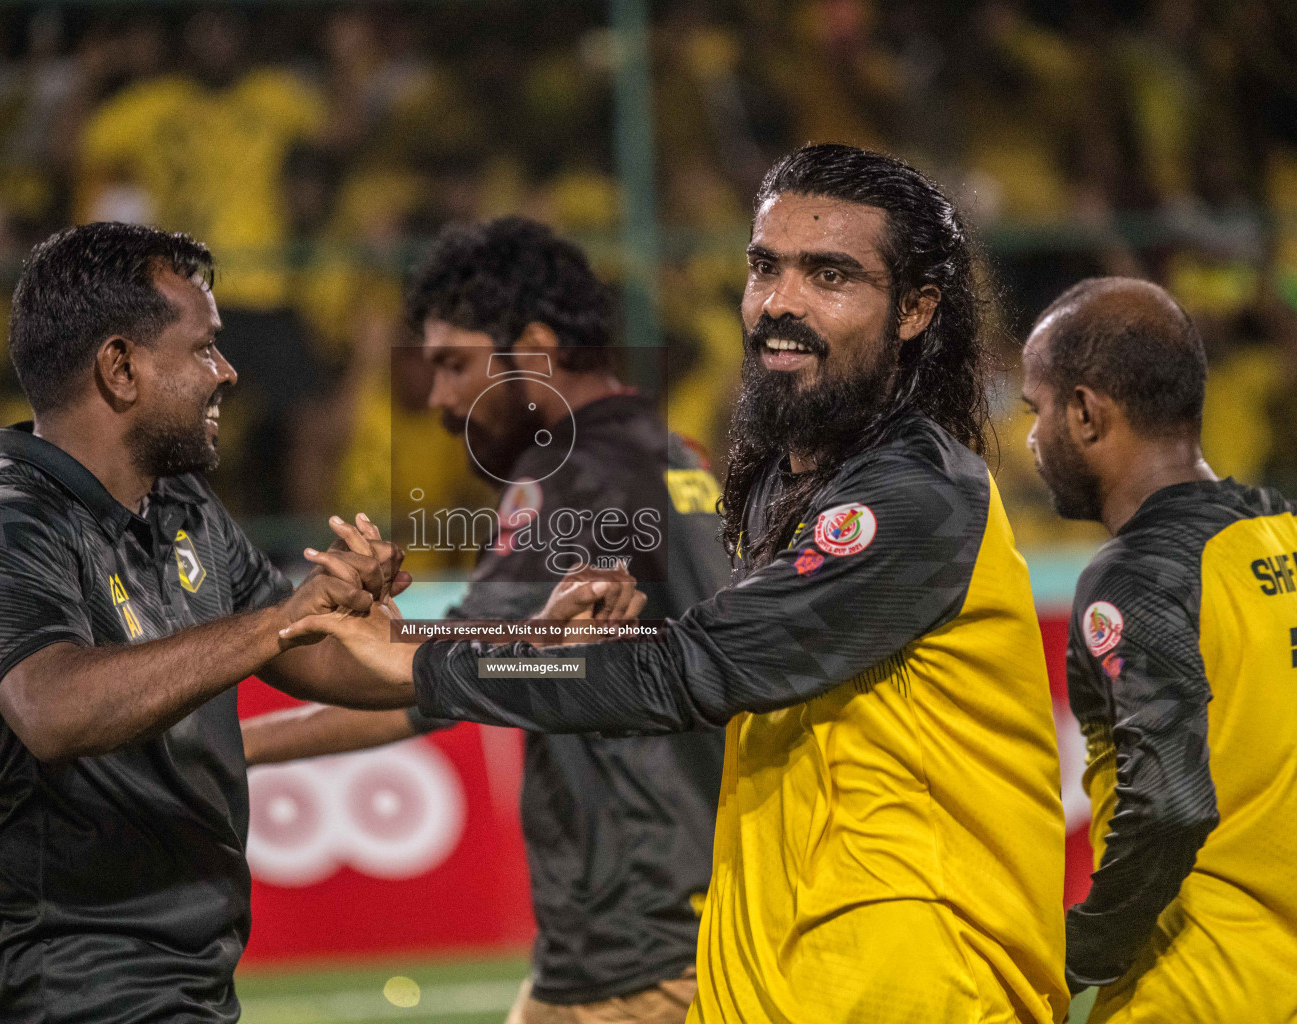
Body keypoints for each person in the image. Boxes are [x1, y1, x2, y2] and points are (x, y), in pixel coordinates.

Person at [271, 144, 1071, 1023]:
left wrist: (406, 667)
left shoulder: (900, 493)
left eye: (830, 275)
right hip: (756, 948)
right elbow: (710, 655)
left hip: (847, 968)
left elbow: (696, 667)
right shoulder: (722, 466)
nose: (780, 301)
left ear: (916, 310)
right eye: (765, 267)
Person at [240, 217, 732, 1024]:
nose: (439, 398)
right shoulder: (670, 453)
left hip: (637, 950)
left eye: (453, 365)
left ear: (534, 348)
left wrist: (238, 747)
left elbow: (438, 681)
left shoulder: (568, 471)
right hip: (685, 921)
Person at [0, 222, 398, 1023]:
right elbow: (53, 710)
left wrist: (538, 642)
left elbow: (333, 659)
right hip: (60, 992)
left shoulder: (182, 506)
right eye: (204, 347)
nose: (228, 371)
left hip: (183, 985)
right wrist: (281, 619)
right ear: (120, 367)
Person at [1020, 277, 1297, 1023]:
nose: (1030, 439)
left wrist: (1070, 959)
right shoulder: (1284, 531)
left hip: (1196, 994)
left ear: (1085, 413)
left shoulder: (1136, 577)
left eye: (1036, 410)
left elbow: (1169, 805)